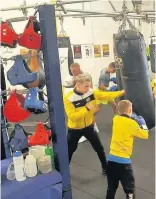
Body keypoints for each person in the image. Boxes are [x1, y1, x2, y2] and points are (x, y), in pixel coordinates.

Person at [63, 74, 125, 174]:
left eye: (89, 86)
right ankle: (64, 171)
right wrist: (87, 109)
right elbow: (72, 117)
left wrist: (121, 93)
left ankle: (105, 167)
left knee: (99, 148)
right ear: (78, 85)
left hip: (89, 126)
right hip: (74, 129)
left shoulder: (91, 92)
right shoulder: (69, 98)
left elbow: (105, 95)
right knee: (69, 151)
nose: (89, 88)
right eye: (86, 86)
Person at [106, 100, 149, 199]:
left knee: (111, 188)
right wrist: (142, 124)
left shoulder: (115, 119)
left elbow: (119, 114)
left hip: (111, 160)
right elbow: (145, 135)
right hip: (124, 164)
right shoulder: (132, 124)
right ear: (130, 110)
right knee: (130, 190)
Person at [63, 62, 93, 143]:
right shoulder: (74, 77)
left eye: (74, 71)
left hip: (86, 97)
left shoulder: (86, 76)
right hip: (77, 98)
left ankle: (87, 132)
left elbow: (89, 87)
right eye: (71, 71)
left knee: (89, 113)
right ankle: (90, 129)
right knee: (83, 114)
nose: (73, 73)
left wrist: (90, 97)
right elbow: (72, 87)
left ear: (79, 68)